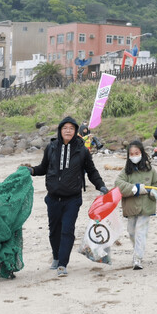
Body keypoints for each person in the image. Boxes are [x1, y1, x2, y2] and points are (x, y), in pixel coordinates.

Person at [28, 116, 108, 277]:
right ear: (60, 130)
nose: (68, 131)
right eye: (65, 128)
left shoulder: (82, 150)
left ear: (75, 131)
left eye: (71, 128)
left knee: (67, 230)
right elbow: (43, 168)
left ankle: (63, 264)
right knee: (54, 231)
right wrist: (31, 171)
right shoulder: (51, 147)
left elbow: (91, 171)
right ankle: (56, 257)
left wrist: (101, 185)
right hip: (52, 198)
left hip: (72, 198)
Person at [115, 141, 157, 270]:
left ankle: (137, 258)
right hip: (131, 207)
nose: (134, 156)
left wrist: (154, 192)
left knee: (141, 231)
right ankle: (137, 250)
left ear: (142, 153)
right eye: (132, 154)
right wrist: (135, 188)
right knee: (131, 232)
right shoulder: (126, 171)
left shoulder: (150, 170)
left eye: (137, 153)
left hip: (146, 206)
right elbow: (118, 184)